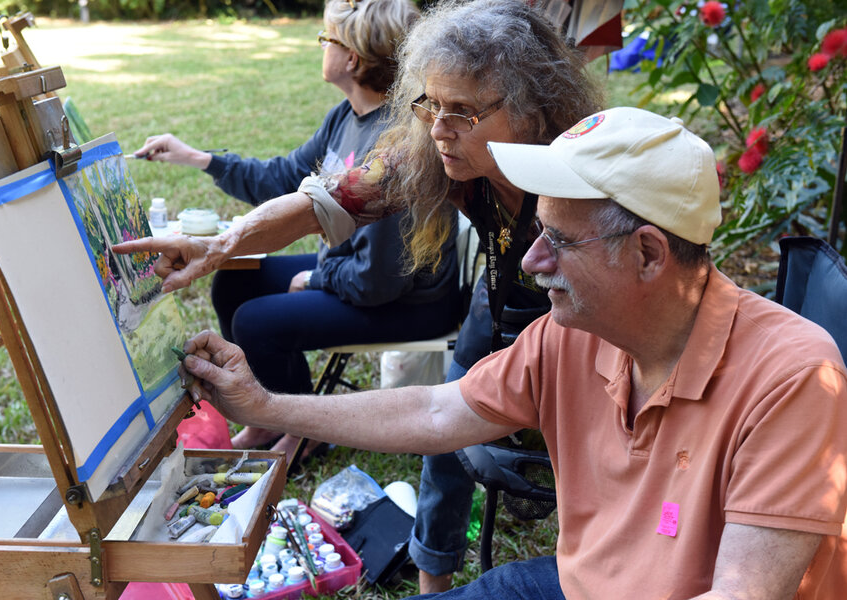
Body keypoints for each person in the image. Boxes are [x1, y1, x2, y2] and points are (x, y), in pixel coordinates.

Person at [176, 107, 847, 599]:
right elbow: (440, 414)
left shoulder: (790, 376)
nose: (531, 258)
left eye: (559, 239)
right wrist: (266, 406)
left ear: (648, 254)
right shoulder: (575, 331)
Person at [114, 0, 601, 589]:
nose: (439, 128)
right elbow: (327, 201)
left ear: (528, 109)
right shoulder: (434, 147)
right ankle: (433, 575)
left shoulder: (582, 191)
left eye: (464, 112)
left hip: (580, 313)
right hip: (497, 296)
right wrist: (223, 244)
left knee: (568, 445)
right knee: (449, 431)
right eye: (429, 104)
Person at [134, 0, 460, 460]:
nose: (321, 46)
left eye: (327, 38)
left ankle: (297, 424)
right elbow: (281, 178)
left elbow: (380, 278)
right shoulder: (345, 117)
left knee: (255, 323)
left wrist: (316, 278)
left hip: (407, 299)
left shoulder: (397, 146)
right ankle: (273, 419)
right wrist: (198, 158)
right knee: (234, 281)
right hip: (360, 270)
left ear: (352, 57)